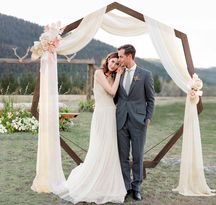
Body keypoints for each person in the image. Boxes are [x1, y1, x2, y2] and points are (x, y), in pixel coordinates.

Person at [58, 52, 126, 204]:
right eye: (112, 61)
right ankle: (92, 180)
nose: (114, 65)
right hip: (102, 115)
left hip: (111, 114)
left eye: (117, 64)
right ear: (108, 60)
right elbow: (112, 92)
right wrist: (119, 76)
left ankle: (106, 182)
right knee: (99, 146)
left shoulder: (113, 77)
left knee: (110, 148)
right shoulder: (99, 73)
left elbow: (115, 96)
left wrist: (118, 76)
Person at [115, 44, 155, 201]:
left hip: (139, 121)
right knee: (123, 156)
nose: (119, 59)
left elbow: (151, 100)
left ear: (129, 56)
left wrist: (148, 119)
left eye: (121, 56)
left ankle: (136, 187)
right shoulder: (119, 73)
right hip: (121, 121)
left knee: (137, 156)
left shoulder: (145, 74)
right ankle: (126, 187)